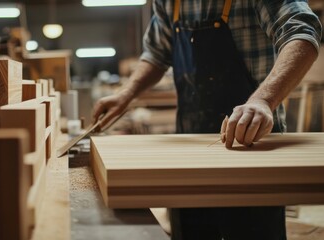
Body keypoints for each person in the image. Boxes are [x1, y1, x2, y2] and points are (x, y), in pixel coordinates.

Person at [93, 0, 322, 239]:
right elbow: (157, 53)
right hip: (190, 158)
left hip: (253, 149)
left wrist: (263, 100)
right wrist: (126, 94)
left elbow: (302, 30)